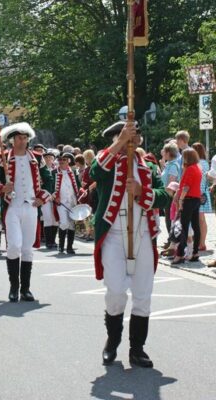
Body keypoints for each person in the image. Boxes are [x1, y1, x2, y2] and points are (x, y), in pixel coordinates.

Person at [90, 121, 170, 368]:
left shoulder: (148, 166)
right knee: (115, 291)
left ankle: (137, 349)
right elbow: (94, 171)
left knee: (143, 294)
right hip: (114, 235)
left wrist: (141, 192)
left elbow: (164, 195)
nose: (132, 142)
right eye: (127, 138)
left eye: (134, 138)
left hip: (143, 234)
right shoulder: (109, 161)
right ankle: (112, 341)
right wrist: (119, 143)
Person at [0, 122, 52, 302]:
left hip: (31, 206)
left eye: (25, 138)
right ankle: (13, 287)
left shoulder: (37, 158)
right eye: (18, 138)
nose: (22, 141)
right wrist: (3, 187)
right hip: (12, 206)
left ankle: (25, 289)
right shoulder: (4, 158)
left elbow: (49, 180)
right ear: (12, 140)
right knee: (14, 245)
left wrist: (42, 198)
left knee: (27, 248)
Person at [171, 148, 202, 265]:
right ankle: (195, 252)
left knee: (183, 227)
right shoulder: (197, 168)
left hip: (188, 200)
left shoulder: (189, 169)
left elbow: (186, 187)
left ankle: (179, 255)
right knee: (196, 226)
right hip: (196, 199)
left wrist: (180, 200)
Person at [52, 152, 84, 254]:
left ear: (68, 161)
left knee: (71, 225)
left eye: (64, 160)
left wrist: (82, 193)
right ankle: (61, 246)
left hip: (72, 201)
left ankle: (69, 247)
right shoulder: (54, 172)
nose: (61, 161)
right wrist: (54, 196)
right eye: (60, 160)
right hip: (61, 202)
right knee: (64, 222)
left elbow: (78, 186)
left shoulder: (73, 172)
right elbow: (50, 186)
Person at [160, 142, 180, 247]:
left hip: (170, 196)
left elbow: (171, 183)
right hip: (167, 194)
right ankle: (170, 240)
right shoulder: (168, 164)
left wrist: (166, 195)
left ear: (169, 153)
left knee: (170, 219)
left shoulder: (173, 165)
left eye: (164, 151)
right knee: (168, 218)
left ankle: (172, 242)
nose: (163, 153)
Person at [192, 142, 211, 251]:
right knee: (199, 219)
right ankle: (200, 242)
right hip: (200, 193)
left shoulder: (201, 163)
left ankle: (202, 243)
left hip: (200, 193)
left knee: (201, 219)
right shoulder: (202, 162)